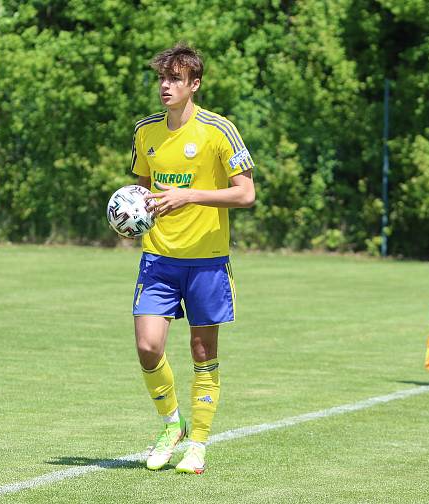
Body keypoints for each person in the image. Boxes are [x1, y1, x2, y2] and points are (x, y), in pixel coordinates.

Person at [128, 43, 256, 474]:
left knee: (203, 351)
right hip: (159, 258)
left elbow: (246, 193)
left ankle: (198, 443)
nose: (166, 86)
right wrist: (131, 211)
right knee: (148, 347)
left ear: (194, 84)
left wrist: (190, 196)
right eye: (162, 78)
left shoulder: (219, 130)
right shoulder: (146, 132)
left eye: (176, 79)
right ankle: (171, 425)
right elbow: (144, 190)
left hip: (207, 260)